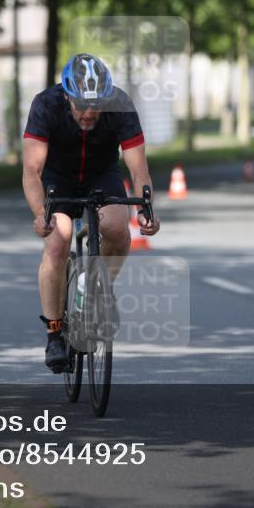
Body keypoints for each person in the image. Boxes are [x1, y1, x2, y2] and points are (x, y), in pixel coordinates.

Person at [22, 53, 161, 372]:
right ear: (67, 96)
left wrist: (146, 208)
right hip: (57, 178)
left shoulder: (121, 105)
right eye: (81, 106)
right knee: (59, 240)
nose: (88, 113)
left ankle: (100, 289)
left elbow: (138, 169)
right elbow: (32, 170)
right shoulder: (46, 104)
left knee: (115, 227)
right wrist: (40, 212)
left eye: (96, 106)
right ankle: (55, 333)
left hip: (102, 174)